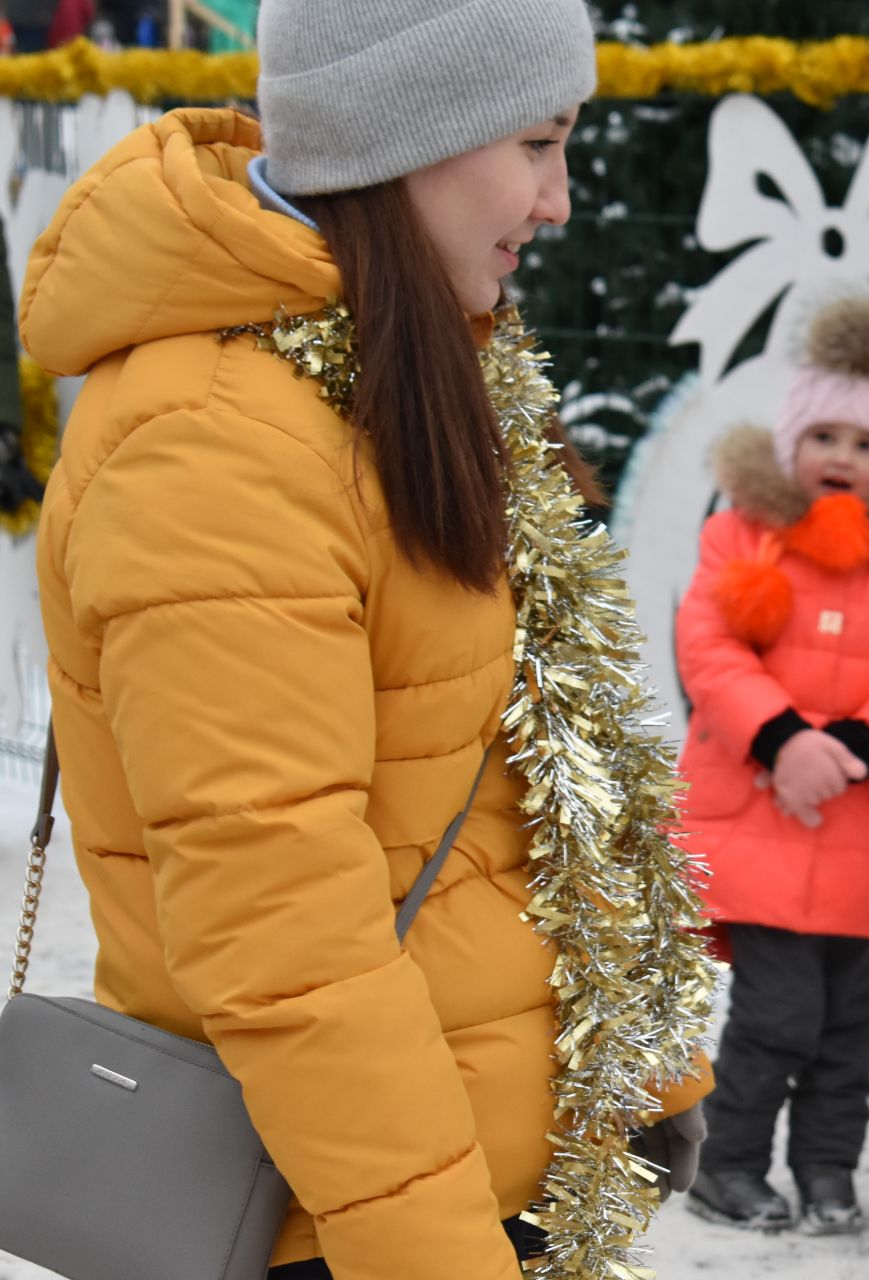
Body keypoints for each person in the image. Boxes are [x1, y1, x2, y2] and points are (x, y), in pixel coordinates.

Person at [20, 2, 713, 1275]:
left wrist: (642, 1066)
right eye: (540, 142)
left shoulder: (392, 370)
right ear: (407, 132)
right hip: (337, 1217)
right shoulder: (218, 443)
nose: (558, 201)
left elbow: (511, 779)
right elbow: (289, 934)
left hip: (470, 1162)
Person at [674, 294, 869, 1235]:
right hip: (761, 825)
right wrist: (782, 739)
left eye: (866, 443)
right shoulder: (740, 536)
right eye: (825, 435)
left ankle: (829, 1172)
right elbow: (710, 644)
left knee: (847, 1024)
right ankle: (730, 1167)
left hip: (861, 835)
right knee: (778, 1015)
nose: (843, 457)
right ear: (792, 441)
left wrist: (863, 747)